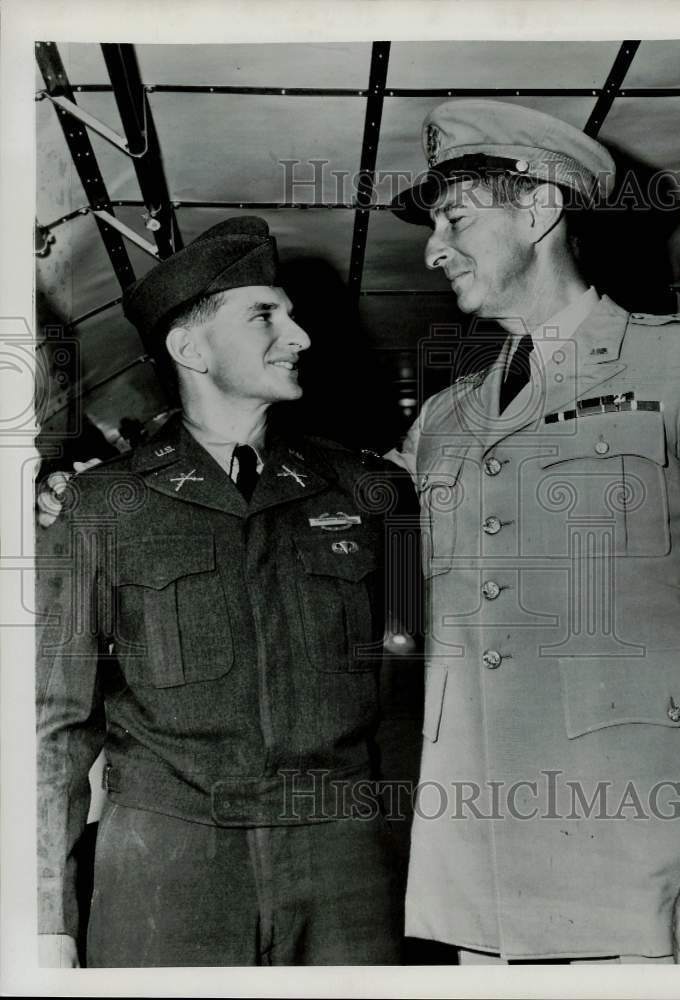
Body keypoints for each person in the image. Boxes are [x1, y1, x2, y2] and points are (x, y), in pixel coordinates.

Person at [386, 99, 680, 964]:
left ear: (539, 209)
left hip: (644, 877)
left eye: (454, 218)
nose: (433, 248)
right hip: (481, 883)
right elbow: (402, 614)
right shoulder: (444, 420)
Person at [36, 216, 412, 967]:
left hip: (345, 868)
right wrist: (46, 918)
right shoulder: (97, 507)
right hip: (166, 869)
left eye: (293, 313)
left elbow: (408, 706)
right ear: (189, 348)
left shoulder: (375, 494)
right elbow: (54, 727)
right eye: (264, 314)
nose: (299, 335)